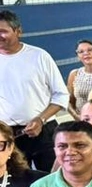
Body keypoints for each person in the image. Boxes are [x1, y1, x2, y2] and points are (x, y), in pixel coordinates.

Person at [0, 11, 69, 170]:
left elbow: (61, 94)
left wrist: (41, 119)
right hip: (7, 135)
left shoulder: (39, 56)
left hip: (43, 131)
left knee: (51, 179)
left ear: (18, 31)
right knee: (13, 182)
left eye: (3, 31)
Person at [66, 40, 92, 116]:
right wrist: (77, 117)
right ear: (78, 57)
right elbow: (69, 101)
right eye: (81, 52)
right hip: (81, 121)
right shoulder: (74, 74)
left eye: (90, 50)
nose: (86, 53)